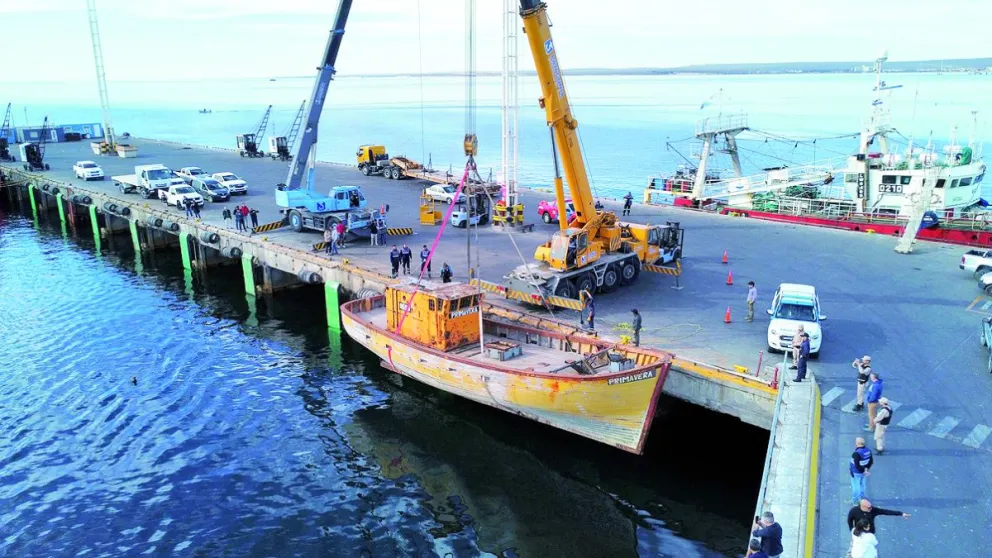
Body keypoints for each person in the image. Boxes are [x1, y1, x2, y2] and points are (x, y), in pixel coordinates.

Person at [846, 499, 910, 534]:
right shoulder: (854, 511)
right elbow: (849, 520)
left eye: (871, 506)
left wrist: (901, 514)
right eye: (869, 507)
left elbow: (885, 511)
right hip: (858, 531)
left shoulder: (873, 510)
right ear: (862, 506)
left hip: (870, 531)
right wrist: (852, 530)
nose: (871, 508)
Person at [849, 437, 873, 504]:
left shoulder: (856, 453)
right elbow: (870, 461)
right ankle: (862, 498)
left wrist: (863, 471)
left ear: (857, 443)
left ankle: (855, 501)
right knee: (862, 485)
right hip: (864, 472)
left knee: (856, 487)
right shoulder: (868, 451)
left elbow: (857, 465)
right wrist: (866, 470)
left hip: (856, 472)